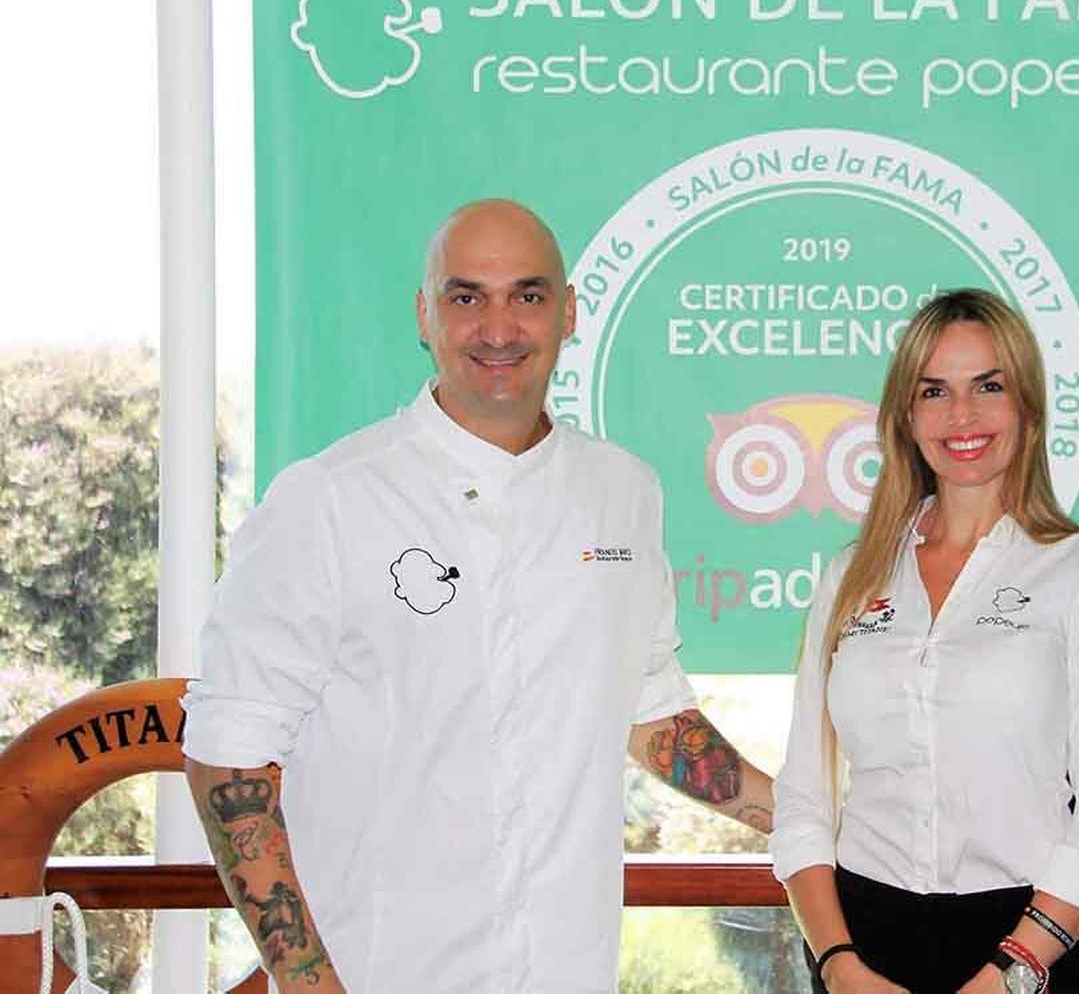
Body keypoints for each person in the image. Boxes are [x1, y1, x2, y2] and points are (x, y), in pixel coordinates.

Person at [182, 199, 774, 993]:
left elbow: (651, 710)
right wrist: (309, 982)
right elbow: (228, 751)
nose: (499, 328)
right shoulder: (327, 499)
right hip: (380, 972)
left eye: (527, 296)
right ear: (426, 315)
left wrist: (812, 818)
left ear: (568, 314)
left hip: (569, 971)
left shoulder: (623, 490)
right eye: (467, 297)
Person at [772, 289, 1079, 994]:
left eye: (989, 386)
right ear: (905, 417)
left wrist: (1009, 975)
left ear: (1027, 408)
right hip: (863, 951)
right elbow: (804, 799)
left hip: (1033, 950)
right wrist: (837, 964)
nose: (962, 415)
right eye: (934, 390)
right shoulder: (851, 575)